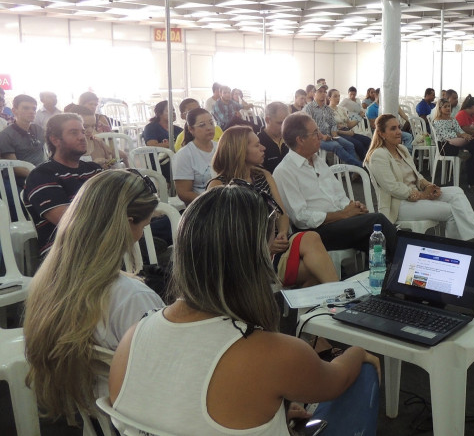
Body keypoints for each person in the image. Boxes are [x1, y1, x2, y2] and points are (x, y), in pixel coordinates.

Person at [107, 185, 381, 435]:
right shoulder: (275, 352)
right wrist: (357, 352)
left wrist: (267, 416)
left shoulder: (132, 337)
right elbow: (338, 379)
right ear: (258, 259)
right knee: (362, 374)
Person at [24, 170, 164, 427]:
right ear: (127, 222)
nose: (141, 236)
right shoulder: (132, 298)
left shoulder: (47, 281)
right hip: (134, 420)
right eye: (142, 227)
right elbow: (163, 377)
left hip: (91, 416)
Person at [207, 126, 339, 287]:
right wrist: (265, 244)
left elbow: (281, 213)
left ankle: (332, 298)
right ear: (240, 150)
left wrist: (282, 233)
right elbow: (223, 235)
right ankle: (338, 297)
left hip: (276, 247)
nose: (263, 148)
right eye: (256, 145)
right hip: (247, 256)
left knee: (311, 239)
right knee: (316, 268)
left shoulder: (263, 175)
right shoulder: (218, 186)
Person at [366, 114, 474, 251]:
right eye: (393, 129)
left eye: (398, 127)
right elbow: (392, 187)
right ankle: (456, 248)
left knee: (457, 191)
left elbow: (417, 175)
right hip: (398, 205)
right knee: (452, 211)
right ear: (381, 133)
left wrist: (429, 186)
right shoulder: (379, 155)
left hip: (416, 195)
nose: (398, 132)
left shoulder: (401, 149)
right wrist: (423, 195)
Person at [273, 113, 398, 257]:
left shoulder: (317, 160)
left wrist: (352, 207)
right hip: (315, 233)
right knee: (377, 221)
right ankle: (407, 262)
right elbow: (301, 218)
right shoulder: (284, 171)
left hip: (338, 222)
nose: (321, 136)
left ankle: (388, 270)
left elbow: (338, 194)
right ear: (300, 140)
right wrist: (343, 214)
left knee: (375, 238)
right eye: (315, 133)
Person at [24, 113, 102, 260]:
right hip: (66, 255)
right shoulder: (42, 175)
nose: (81, 137)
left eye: (82, 132)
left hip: (105, 243)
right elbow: (69, 221)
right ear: (55, 140)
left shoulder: (94, 169)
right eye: (74, 133)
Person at [305, 84, 363, 167]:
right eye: (320, 91)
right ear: (314, 94)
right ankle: (359, 166)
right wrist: (322, 136)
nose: (323, 93)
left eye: (325, 92)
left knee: (350, 145)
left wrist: (334, 133)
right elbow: (310, 127)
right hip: (317, 138)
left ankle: (352, 173)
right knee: (336, 146)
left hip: (331, 136)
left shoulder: (328, 109)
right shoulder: (309, 108)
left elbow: (333, 124)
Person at [432, 98, 474, 188]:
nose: (448, 108)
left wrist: (465, 135)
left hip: (457, 143)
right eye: (445, 107)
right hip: (445, 146)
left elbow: (459, 130)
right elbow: (446, 135)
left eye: (449, 106)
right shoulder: (437, 121)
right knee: (473, 149)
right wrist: (462, 135)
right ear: (440, 108)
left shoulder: (452, 119)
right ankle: (473, 182)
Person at [173, 108, 218, 205]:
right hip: (201, 206)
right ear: (191, 129)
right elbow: (183, 193)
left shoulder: (220, 148)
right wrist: (211, 202)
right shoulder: (184, 155)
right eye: (202, 125)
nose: (209, 128)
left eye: (211, 123)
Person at [0, 94, 46, 184]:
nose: (32, 111)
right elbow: (15, 168)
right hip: (18, 179)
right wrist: (42, 176)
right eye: (26, 108)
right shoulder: (6, 135)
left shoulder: (38, 129)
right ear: (14, 111)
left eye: (34, 109)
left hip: (42, 173)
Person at [66, 104, 128, 169]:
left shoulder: (98, 143)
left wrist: (105, 165)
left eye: (93, 126)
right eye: (85, 126)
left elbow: (108, 164)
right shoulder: (67, 148)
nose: (90, 130)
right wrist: (93, 166)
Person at [328, 88, 371, 160]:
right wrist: (347, 132)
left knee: (367, 140)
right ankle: (362, 166)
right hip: (338, 134)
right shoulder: (327, 111)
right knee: (358, 144)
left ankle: (368, 162)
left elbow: (349, 124)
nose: (337, 98)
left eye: (338, 96)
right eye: (335, 96)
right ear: (329, 98)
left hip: (347, 131)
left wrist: (359, 117)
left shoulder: (342, 109)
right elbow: (331, 130)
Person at [257, 101, 290, 173]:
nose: (284, 127)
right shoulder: (258, 143)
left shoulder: (290, 139)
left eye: (286, 123)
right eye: (280, 123)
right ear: (267, 120)